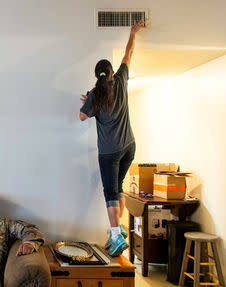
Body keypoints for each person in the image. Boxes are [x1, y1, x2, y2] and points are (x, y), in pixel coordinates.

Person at [79, 20, 145, 257]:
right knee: (118, 188)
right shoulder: (121, 80)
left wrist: (87, 101)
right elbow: (128, 54)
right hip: (129, 146)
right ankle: (119, 230)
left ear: (97, 75)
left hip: (109, 152)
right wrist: (133, 32)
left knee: (110, 193)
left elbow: (82, 116)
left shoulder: (95, 95)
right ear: (112, 72)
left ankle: (116, 235)